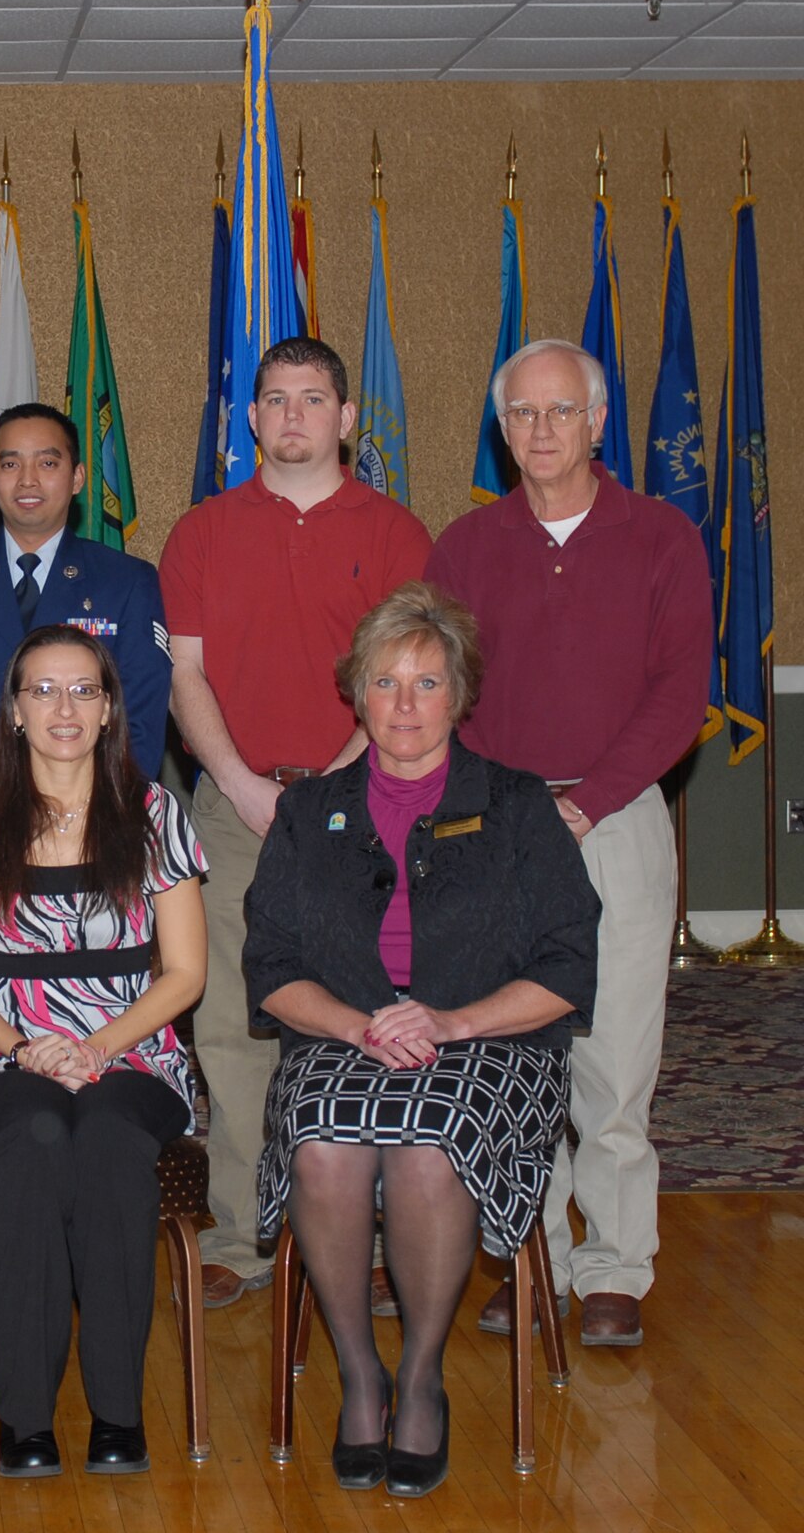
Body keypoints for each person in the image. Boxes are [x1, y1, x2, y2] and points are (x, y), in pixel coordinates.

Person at [244, 581, 600, 1498]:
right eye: (385, 682)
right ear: (355, 694)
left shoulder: (520, 807)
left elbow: (567, 965)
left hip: (492, 1042)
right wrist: (359, 1024)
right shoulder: (306, 811)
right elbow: (271, 966)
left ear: (461, 695)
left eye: (428, 683)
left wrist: (453, 1019)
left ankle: (421, 1375)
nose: (406, 704)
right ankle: (361, 1374)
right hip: (343, 1035)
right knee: (323, 1141)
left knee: (428, 1147)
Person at [426, 338, 712, 1348]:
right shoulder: (462, 546)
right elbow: (435, 689)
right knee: (511, 1053)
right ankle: (529, 1252)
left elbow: (679, 693)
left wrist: (585, 802)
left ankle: (612, 1267)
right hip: (494, 829)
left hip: (616, 820)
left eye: (558, 412)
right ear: (498, 432)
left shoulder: (662, 537)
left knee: (612, 1055)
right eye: (519, 416)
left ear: (596, 421)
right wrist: (493, 808)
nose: (539, 432)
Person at [159, 335, 432, 1310]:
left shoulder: (397, 534)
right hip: (233, 806)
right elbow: (182, 672)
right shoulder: (200, 532)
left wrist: (334, 785)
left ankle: (359, 1241)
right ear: (251, 418)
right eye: (273, 399)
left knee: (368, 1016)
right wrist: (236, 781)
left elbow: (404, 681)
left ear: (344, 417)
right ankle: (242, 1230)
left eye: (311, 399)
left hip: (370, 805)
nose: (290, 416)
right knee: (234, 1022)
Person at [0, 625, 207, 1478]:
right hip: (3, 1053)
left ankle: (117, 1412)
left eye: (83, 689)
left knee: (114, 1142)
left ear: (111, 707)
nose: (64, 707)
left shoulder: (156, 815)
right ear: (13, 711)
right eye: (42, 690)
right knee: (38, 1141)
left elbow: (186, 972)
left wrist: (99, 1045)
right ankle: (27, 1418)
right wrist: (29, 1049)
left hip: (135, 1052)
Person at [0, 401, 171, 926]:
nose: (28, 479)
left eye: (48, 462)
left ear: (79, 476)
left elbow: (143, 723)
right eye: (10, 462)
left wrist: (79, 829)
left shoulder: (128, 583)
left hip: (87, 852)